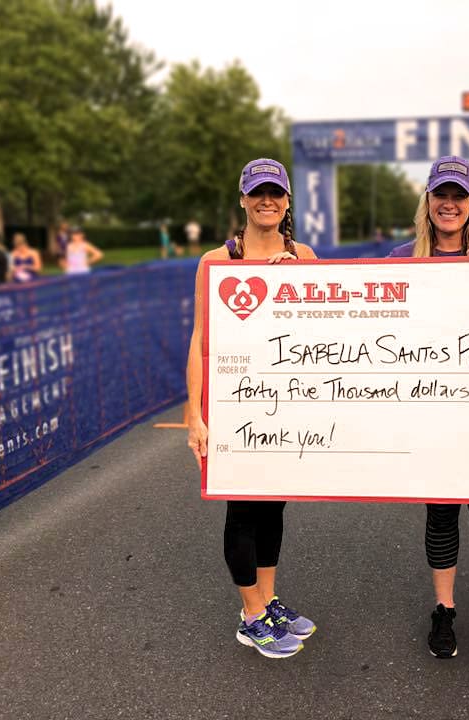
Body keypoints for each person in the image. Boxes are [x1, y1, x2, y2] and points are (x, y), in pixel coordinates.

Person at [186, 158, 317, 659]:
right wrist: (194, 415)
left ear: (287, 201)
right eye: (258, 192)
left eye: (276, 193)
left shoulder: (302, 255)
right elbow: (201, 338)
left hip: (286, 405)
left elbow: (331, 330)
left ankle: (268, 598)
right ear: (242, 198)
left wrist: (297, 281)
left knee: (272, 507)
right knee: (243, 510)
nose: (268, 201)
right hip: (235, 403)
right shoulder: (217, 260)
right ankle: (250, 616)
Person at [389, 156, 469, 660]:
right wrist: (286, 277)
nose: (450, 204)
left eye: (460, 195)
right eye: (442, 195)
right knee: (440, 515)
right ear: (428, 201)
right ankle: (445, 611)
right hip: (427, 413)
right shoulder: (400, 259)